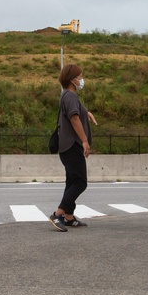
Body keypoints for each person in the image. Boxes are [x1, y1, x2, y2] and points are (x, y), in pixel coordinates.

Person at [49, 63, 97, 232]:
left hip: (67, 146)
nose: (82, 79)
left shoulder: (69, 95)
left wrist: (87, 113)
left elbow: (78, 112)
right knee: (80, 182)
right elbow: (74, 118)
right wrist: (84, 140)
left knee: (71, 181)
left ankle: (68, 216)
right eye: (80, 76)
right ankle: (58, 213)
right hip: (72, 146)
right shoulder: (70, 96)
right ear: (72, 79)